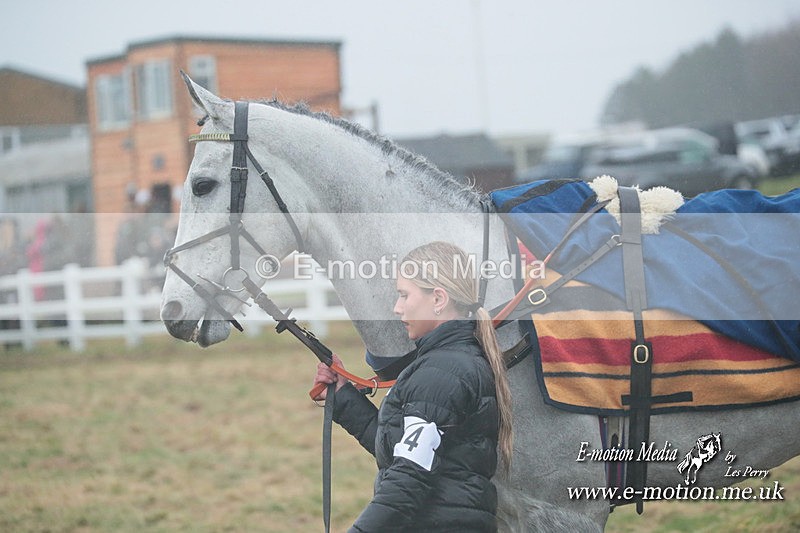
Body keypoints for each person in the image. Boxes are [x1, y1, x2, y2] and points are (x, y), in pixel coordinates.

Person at [312, 241, 512, 532]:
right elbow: (403, 450)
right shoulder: (447, 362)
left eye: (405, 295)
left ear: (438, 299)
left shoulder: (442, 371)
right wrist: (343, 396)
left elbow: (409, 474)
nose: (397, 307)